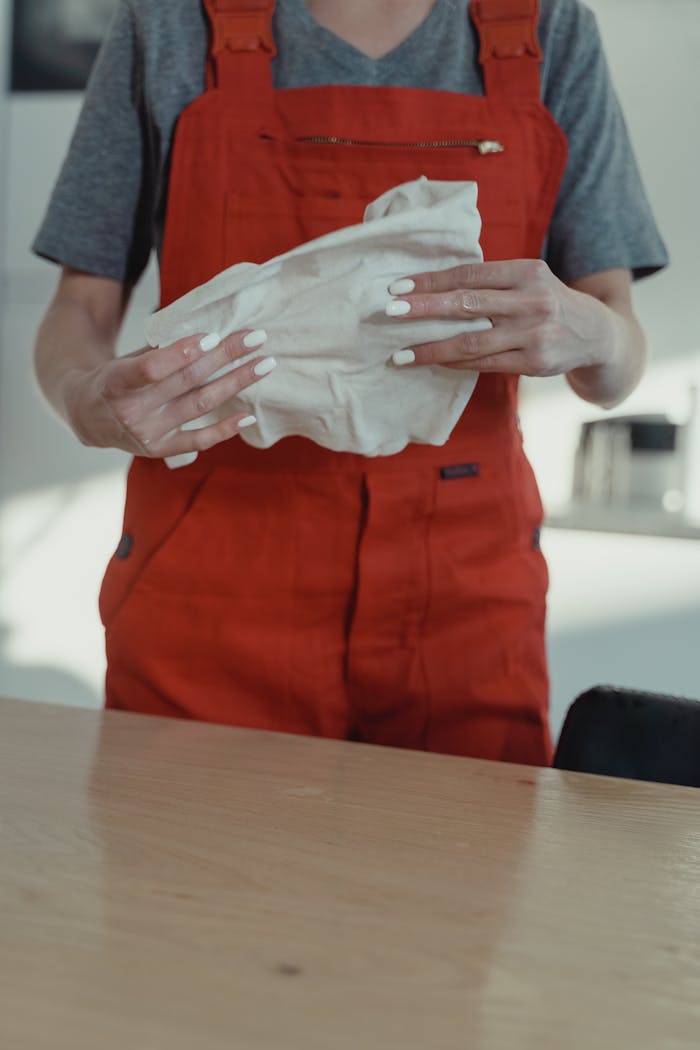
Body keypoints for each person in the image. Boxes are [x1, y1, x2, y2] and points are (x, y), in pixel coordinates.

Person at [32, 0, 668, 765]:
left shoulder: (548, 29)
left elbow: (615, 360)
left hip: (463, 593)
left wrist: (596, 333)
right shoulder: (169, 25)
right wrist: (82, 399)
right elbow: (79, 307)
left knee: (466, 876)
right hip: (210, 576)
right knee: (186, 878)